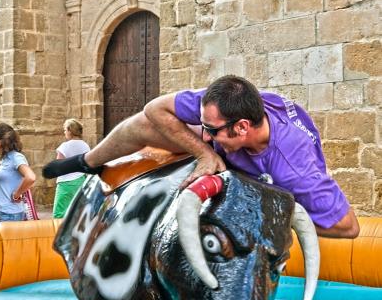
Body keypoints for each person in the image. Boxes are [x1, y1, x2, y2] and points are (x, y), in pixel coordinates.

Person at [43, 76, 359, 240]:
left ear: (242, 127)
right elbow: (155, 108)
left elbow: (349, 228)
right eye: (203, 125)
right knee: (142, 123)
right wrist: (204, 151)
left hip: (265, 171)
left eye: (211, 130)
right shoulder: (227, 102)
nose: (204, 133)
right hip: (239, 147)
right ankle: (88, 161)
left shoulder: (295, 169)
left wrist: (268, 214)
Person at [0, 123, 36, 223]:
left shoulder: (16, 157)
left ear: (4, 140)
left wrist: (17, 194)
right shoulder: (5, 158)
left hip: (10, 214)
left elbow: (31, 177)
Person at [52, 119, 90, 218]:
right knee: (77, 213)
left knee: (59, 213)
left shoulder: (65, 146)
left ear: (70, 130)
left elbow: (58, 165)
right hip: (81, 181)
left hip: (66, 183)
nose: (64, 132)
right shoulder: (85, 146)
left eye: (65, 130)